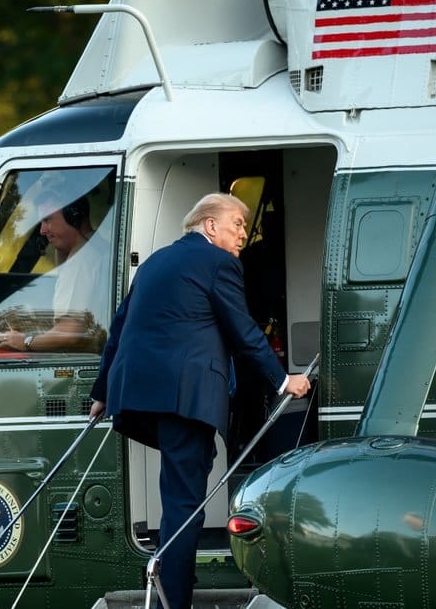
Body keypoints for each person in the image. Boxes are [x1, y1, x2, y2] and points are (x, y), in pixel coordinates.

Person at [89, 193, 311, 609]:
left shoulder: (155, 261)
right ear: (210, 225)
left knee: (179, 486)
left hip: (137, 397)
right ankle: (173, 600)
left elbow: (119, 328)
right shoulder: (219, 263)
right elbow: (242, 330)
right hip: (184, 397)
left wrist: (102, 392)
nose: (244, 233)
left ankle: (170, 587)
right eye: (237, 224)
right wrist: (284, 380)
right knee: (183, 502)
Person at [0, 192, 110, 353]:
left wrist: (26, 341)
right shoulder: (98, 247)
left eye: (47, 220)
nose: (42, 230)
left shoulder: (80, 260)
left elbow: (70, 333)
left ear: (72, 216)